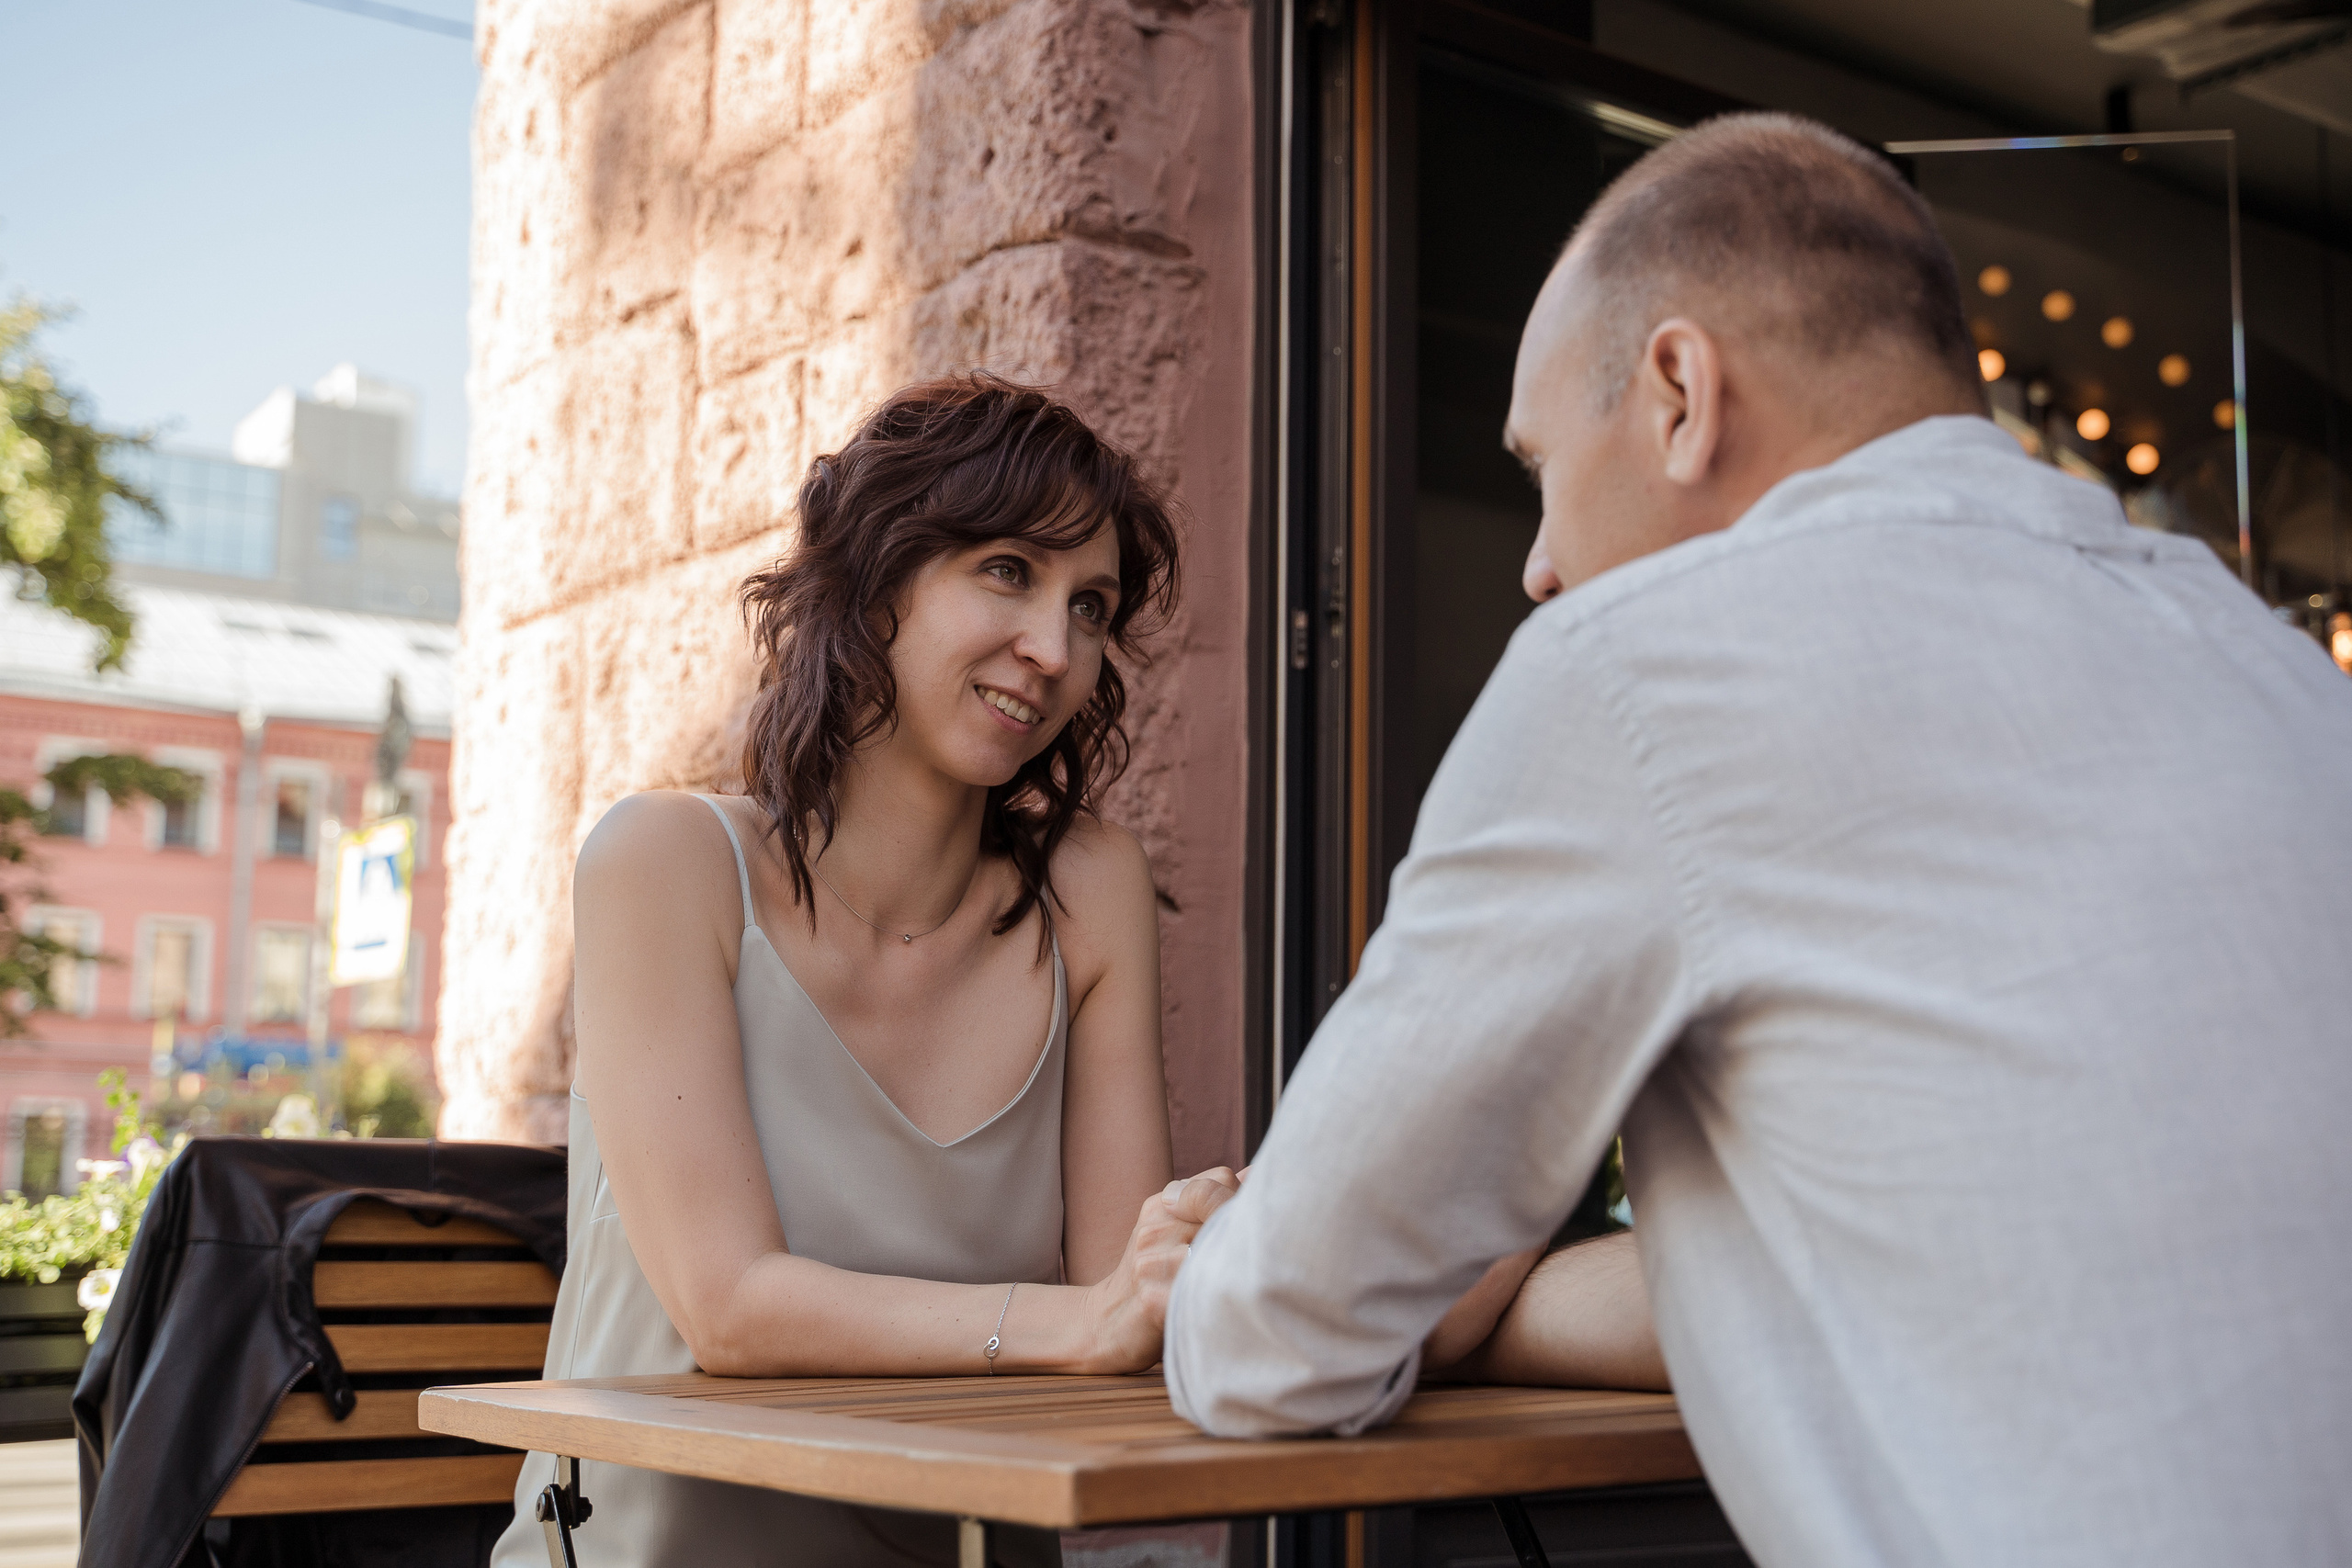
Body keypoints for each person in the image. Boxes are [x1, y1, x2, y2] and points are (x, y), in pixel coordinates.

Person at [1163, 112, 2352, 1567]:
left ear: (1679, 389)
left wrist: (1424, 1285)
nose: (1538, 562)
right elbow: (1983, 1238)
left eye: (1542, 466)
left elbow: (1273, 1344)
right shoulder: (2279, 667)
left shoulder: (1641, 666)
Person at [492, 374, 1236, 1568]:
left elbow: (1122, 1303)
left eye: (1090, 607)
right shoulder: (668, 864)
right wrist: (1087, 1319)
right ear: (877, 580)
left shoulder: (1089, 893)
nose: (1053, 648)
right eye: (1007, 571)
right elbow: (728, 1309)